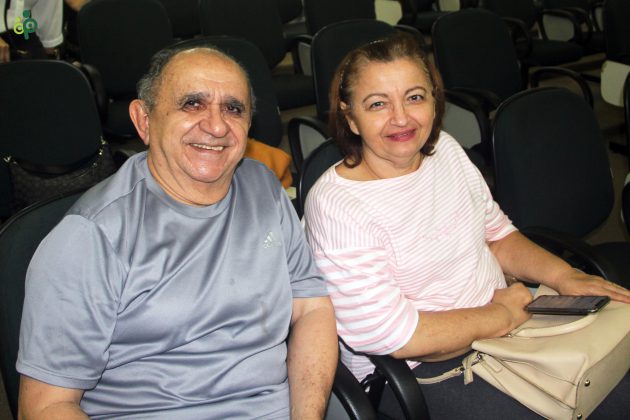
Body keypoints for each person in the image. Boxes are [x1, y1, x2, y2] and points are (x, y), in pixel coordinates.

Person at [303, 33, 630, 419]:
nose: (401, 118)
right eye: (378, 104)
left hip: (505, 318)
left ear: (434, 100)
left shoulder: (445, 150)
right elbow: (398, 336)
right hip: (418, 367)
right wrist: (502, 316)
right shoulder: (338, 207)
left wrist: (565, 276)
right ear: (350, 117)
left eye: (414, 97)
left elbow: (498, 236)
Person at [17, 45, 338, 419]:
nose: (217, 126)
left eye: (233, 109)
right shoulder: (91, 237)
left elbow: (311, 307)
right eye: (192, 104)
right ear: (144, 120)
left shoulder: (263, 187)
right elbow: (46, 406)